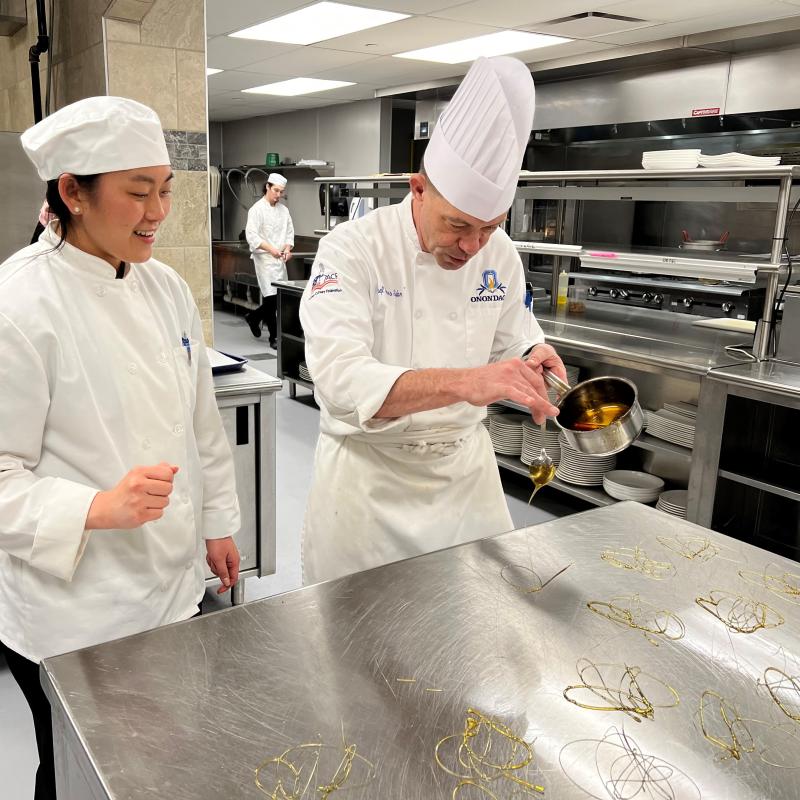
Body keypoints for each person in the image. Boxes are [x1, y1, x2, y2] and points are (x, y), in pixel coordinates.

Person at [0, 96, 241, 800]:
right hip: (72, 613)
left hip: (170, 589)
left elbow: (200, 423)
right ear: (72, 193)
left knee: (163, 762)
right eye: (138, 193)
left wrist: (217, 521)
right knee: (81, 776)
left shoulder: (165, 289)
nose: (158, 211)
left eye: (165, 188)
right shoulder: (19, 305)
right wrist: (98, 507)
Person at [299, 56, 567, 586]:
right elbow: (340, 381)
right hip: (369, 487)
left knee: (477, 632)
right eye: (458, 225)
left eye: (489, 227)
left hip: (465, 480)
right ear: (418, 188)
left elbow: (513, 339)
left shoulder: (500, 256)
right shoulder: (352, 249)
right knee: (361, 649)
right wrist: (469, 383)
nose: (471, 246)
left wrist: (535, 358)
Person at [244, 173, 295, 348]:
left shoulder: (284, 210)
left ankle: (253, 317)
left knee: (278, 298)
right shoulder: (256, 210)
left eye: (281, 192)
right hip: (264, 259)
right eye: (275, 190)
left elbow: (289, 233)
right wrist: (271, 249)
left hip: (279, 261)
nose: (278, 195)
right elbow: (251, 236)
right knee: (271, 299)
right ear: (267, 186)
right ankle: (274, 338)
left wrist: (287, 249)